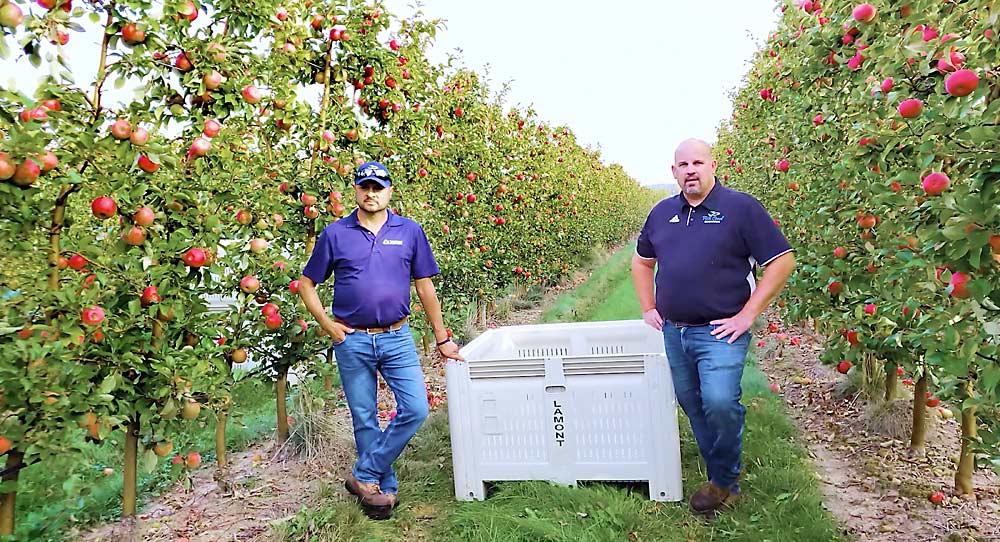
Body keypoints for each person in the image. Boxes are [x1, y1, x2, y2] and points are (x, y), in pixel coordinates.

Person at [631, 139, 795, 515]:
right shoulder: (660, 214)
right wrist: (647, 307)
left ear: (712, 166)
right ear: (673, 172)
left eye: (698, 162)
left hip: (721, 331)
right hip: (674, 330)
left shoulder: (740, 208)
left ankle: (722, 479)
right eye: (683, 164)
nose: (691, 170)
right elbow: (642, 263)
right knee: (693, 404)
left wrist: (747, 314)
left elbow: (782, 261)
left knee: (719, 402)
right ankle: (724, 478)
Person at [298, 160, 464, 520]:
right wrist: (327, 325)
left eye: (378, 187)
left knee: (416, 408)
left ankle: (363, 473)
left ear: (389, 191)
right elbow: (307, 283)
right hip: (353, 339)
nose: (371, 193)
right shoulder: (335, 233)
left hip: (397, 337)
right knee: (364, 417)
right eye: (364, 187)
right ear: (355, 191)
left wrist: (442, 338)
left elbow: (424, 286)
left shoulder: (410, 231)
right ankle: (381, 492)